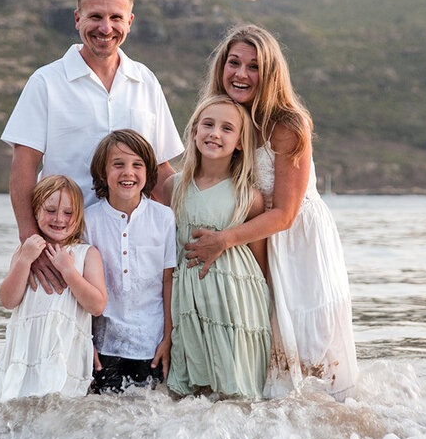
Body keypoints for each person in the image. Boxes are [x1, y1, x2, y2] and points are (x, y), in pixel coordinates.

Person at [185, 25, 359, 401]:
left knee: (311, 359)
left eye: (254, 66)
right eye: (234, 63)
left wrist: (223, 240)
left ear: (271, 73)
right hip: (253, 242)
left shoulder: (287, 124)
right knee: (266, 359)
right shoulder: (224, 119)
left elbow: (284, 214)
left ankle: (334, 437)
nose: (241, 74)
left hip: (296, 243)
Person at [1, 0, 183, 292]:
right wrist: (32, 242)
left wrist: (205, 210)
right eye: (95, 16)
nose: (105, 27)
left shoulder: (146, 82)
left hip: (135, 251)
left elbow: (160, 171)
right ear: (77, 18)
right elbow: (24, 167)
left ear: (130, 21)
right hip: (67, 250)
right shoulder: (45, 82)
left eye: (116, 17)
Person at [164, 95, 271, 401]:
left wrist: (269, 309)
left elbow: (259, 259)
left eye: (227, 128)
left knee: (236, 394)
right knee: (189, 394)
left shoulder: (248, 196)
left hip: (236, 303)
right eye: (208, 124)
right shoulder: (173, 187)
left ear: (239, 142)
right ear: (194, 130)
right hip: (189, 303)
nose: (215, 133)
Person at [0, 175, 107, 400]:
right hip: (24, 353)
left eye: (68, 213)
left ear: (79, 216)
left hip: (62, 355)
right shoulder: (27, 252)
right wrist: (24, 261)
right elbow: (8, 300)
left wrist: (69, 271)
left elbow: (97, 305)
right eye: (50, 210)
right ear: (35, 212)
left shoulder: (85, 254)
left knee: (57, 406)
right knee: (11, 404)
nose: (59, 219)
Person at [84, 129, 176, 393]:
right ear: (103, 172)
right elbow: (82, 289)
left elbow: (169, 280)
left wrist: (168, 338)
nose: (128, 172)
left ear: (147, 172)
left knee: (150, 417)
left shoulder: (164, 218)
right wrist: (84, 339)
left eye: (137, 165)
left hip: (151, 343)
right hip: (103, 346)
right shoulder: (89, 221)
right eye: (118, 164)